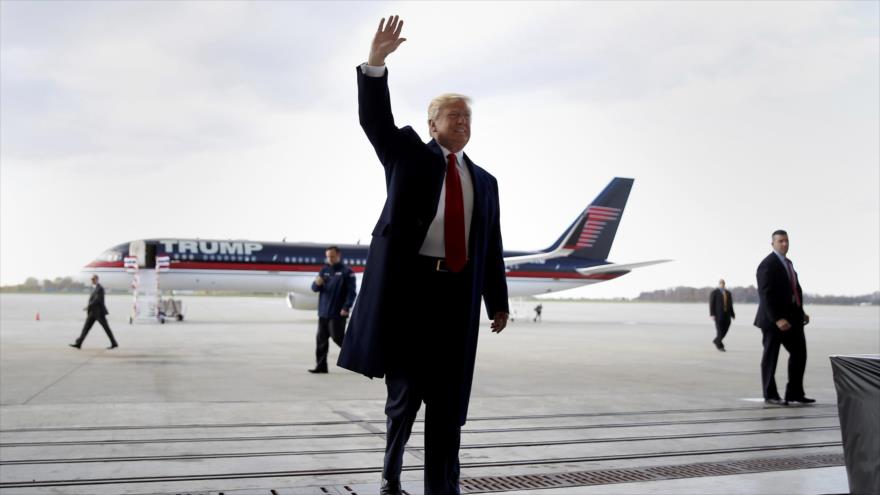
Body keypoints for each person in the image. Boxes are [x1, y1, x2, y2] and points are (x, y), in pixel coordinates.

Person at [337, 16, 510, 495]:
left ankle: (443, 488)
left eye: (467, 117)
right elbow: (375, 121)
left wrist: (497, 301)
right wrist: (375, 64)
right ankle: (391, 475)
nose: (463, 123)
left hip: (458, 297)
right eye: (454, 116)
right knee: (405, 396)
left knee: (448, 404)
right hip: (412, 294)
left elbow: (490, 246)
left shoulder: (486, 182)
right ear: (433, 124)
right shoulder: (407, 156)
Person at [754, 230, 814, 406]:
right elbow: (766, 295)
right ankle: (770, 395)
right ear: (772, 243)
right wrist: (777, 319)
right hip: (773, 321)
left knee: (800, 354)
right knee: (770, 357)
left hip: (793, 318)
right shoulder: (767, 264)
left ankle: (795, 393)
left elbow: (794, 290)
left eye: (787, 240)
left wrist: (801, 311)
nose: (785, 244)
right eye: (780, 241)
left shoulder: (788, 263)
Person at [309, 246, 357, 374]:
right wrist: (317, 284)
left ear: (338, 255)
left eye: (332, 256)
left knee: (338, 338)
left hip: (338, 313)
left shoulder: (347, 272)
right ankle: (321, 367)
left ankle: (359, 357)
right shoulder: (324, 270)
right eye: (328, 256)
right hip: (323, 312)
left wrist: (346, 307)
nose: (330, 259)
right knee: (321, 341)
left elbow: (351, 293)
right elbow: (314, 288)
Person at [70, 275, 118, 350]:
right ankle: (79, 343)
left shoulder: (100, 288)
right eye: (91, 279)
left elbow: (97, 300)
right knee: (86, 328)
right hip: (92, 312)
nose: (92, 280)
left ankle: (114, 343)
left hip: (99, 312)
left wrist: (88, 306)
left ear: (97, 279)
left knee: (106, 328)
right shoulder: (94, 288)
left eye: (93, 279)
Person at [709, 279, 735, 351]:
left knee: (726, 328)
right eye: (721, 283)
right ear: (719, 284)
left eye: (723, 283)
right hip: (718, 315)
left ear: (724, 284)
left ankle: (717, 340)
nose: (722, 284)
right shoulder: (714, 292)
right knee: (720, 331)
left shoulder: (728, 293)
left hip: (727, 315)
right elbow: (711, 304)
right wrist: (712, 314)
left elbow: (730, 305)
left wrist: (732, 314)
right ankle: (720, 346)